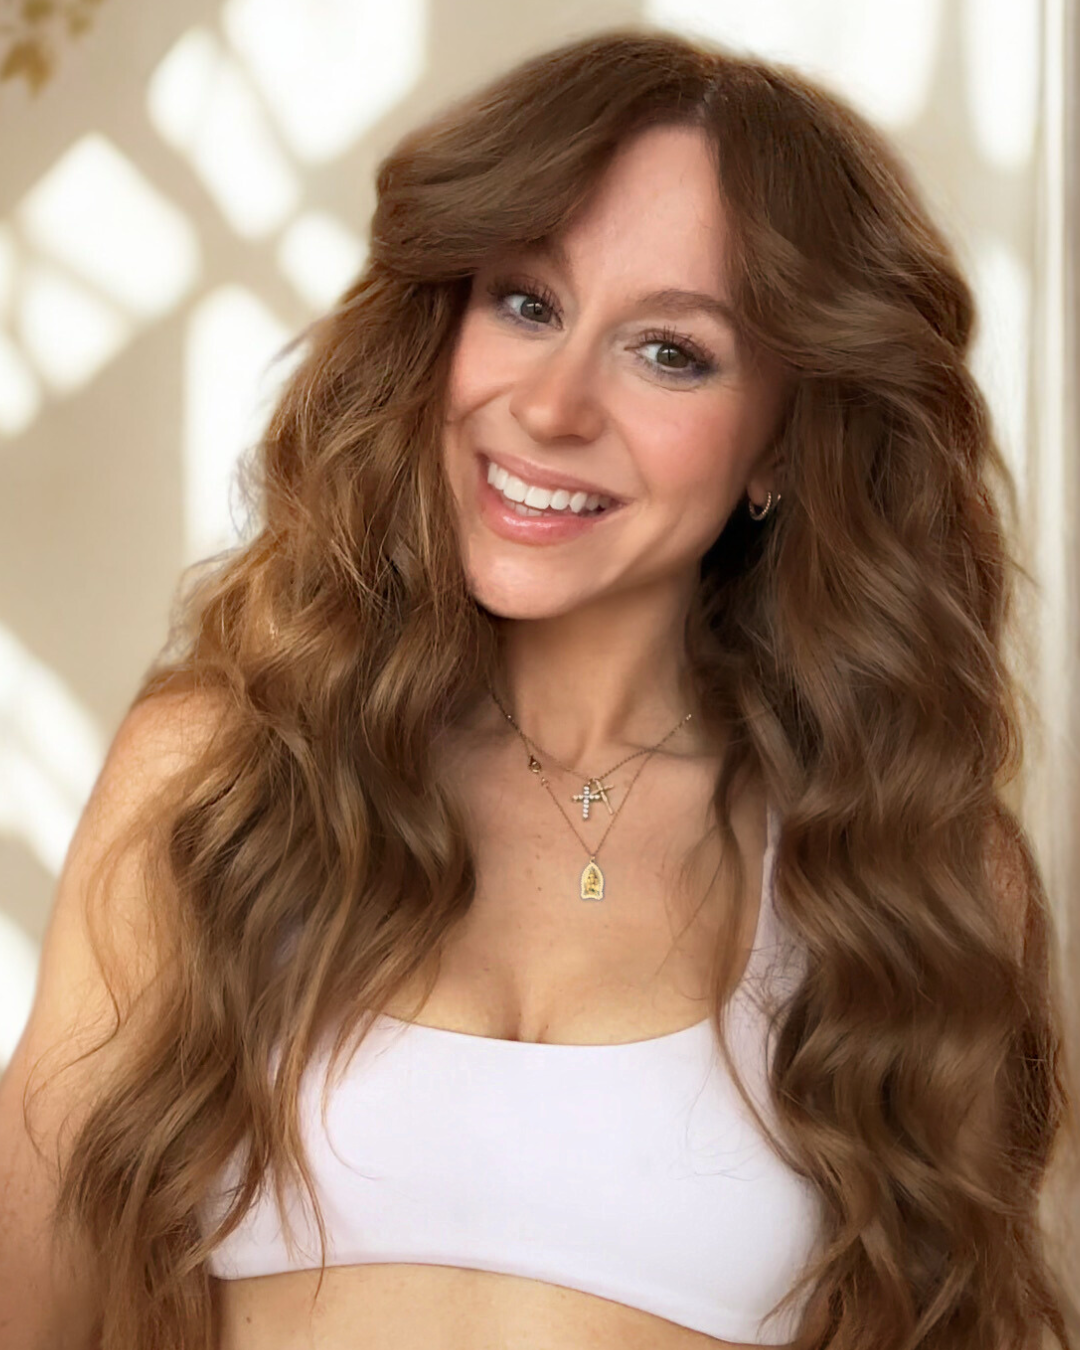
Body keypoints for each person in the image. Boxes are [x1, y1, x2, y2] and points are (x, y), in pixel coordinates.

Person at [1, 25, 1076, 1350]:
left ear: (783, 447)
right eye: (527, 303)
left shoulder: (911, 870)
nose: (554, 407)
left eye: (671, 351)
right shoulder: (224, 771)